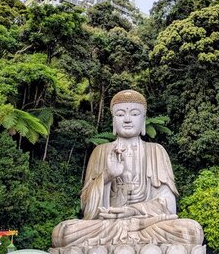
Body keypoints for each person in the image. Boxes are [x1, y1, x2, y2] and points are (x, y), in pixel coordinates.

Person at [51, 90, 204, 248]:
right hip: (107, 226)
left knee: (191, 231)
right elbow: (86, 208)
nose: (127, 120)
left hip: (146, 225)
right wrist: (107, 176)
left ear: (143, 119)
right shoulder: (100, 152)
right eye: (120, 114)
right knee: (63, 232)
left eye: (135, 114)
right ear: (113, 120)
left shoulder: (156, 151)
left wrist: (133, 210)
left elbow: (169, 205)